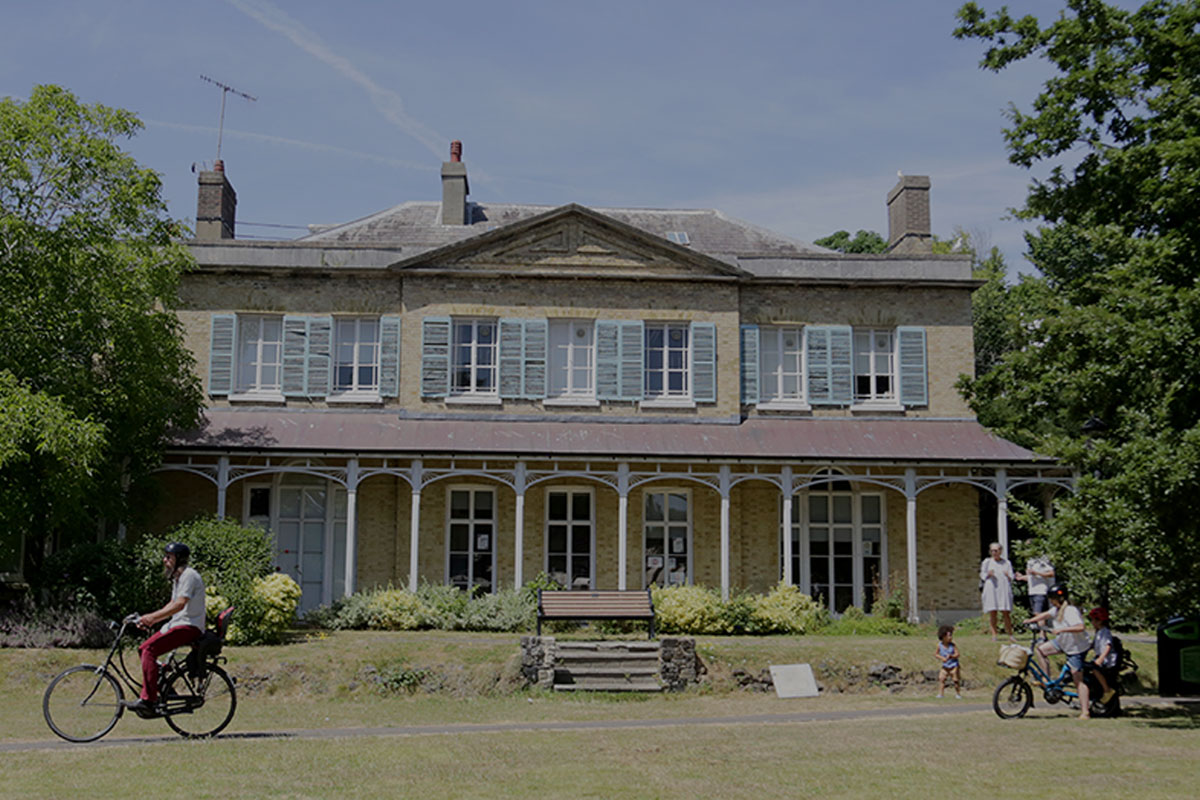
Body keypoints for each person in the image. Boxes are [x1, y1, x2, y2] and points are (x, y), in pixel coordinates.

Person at [123, 542, 206, 714]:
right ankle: (164, 687)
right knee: (143, 650)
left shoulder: (189, 576)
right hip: (179, 623)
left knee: (148, 650)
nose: (164, 560)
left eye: (169, 557)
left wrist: (153, 617)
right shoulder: (179, 577)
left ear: (179, 559)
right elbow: (172, 603)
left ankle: (149, 700)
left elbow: (180, 605)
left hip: (189, 626)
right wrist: (151, 619)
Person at [1026, 583, 1092, 719]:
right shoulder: (1056, 610)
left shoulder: (1070, 611)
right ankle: (1047, 679)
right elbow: (1044, 615)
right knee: (1040, 650)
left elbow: (1080, 627)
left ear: (1059, 599)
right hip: (1063, 642)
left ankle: (1085, 711)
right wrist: (1029, 621)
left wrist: (1061, 629)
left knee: (1077, 678)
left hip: (1076, 647)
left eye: (1052, 599)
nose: (1050, 601)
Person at [980, 542, 1015, 640]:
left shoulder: (1006, 563)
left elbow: (1012, 576)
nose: (994, 552)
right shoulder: (987, 562)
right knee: (993, 612)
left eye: (996, 550)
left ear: (1000, 551)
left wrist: (1008, 575)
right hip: (992, 588)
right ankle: (994, 634)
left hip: (1003, 589)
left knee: (1006, 612)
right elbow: (982, 575)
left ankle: (1010, 634)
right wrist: (988, 574)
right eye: (992, 551)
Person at [1088, 607, 1118, 705]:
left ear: (1099, 621)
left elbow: (1108, 646)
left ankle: (1107, 690)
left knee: (1095, 668)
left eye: (1093, 620)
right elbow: (1093, 644)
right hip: (1101, 656)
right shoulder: (1098, 632)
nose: (1092, 622)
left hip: (1107, 659)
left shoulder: (1105, 632)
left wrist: (1101, 658)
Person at [935, 625, 962, 699]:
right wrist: (942, 658)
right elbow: (936, 654)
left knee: (955, 680)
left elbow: (957, 654)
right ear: (943, 637)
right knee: (941, 679)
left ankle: (958, 694)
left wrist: (952, 656)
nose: (951, 637)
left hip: (954, 665)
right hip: (945, 665)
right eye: (949, 636)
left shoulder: (953, 645)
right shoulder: (939, 645)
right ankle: (941, 694)